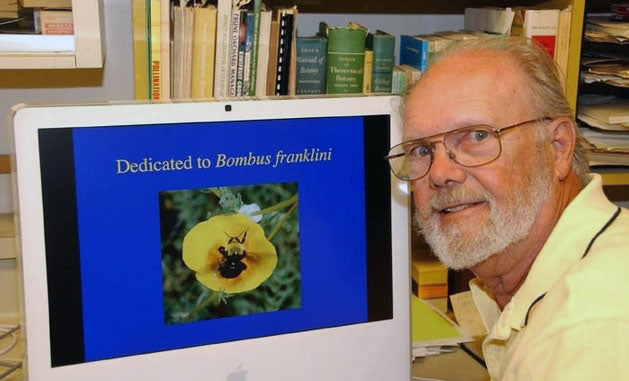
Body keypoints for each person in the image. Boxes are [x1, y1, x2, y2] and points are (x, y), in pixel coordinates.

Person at [387, 37, 629, 380]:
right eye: (422, 150)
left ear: (557, 147)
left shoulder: (585, 332)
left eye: (477, 136)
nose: (439, 173)